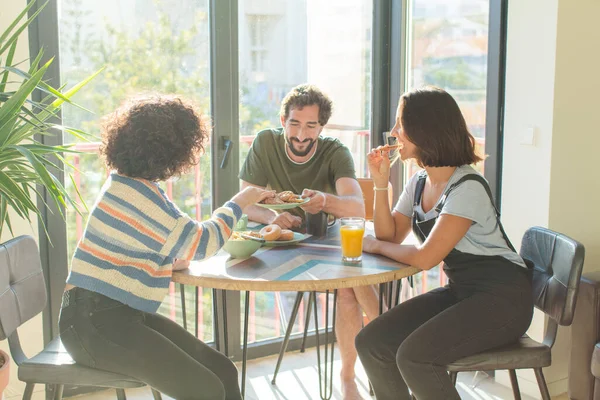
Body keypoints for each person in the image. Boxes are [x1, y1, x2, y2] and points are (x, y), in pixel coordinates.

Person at [59, 96, 274, 400]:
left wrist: (163, 262)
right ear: (169, 151)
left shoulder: (130, 185)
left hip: (114, 315)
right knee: (206, 389)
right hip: (93, 325)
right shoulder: (137, 195)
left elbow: (135, 248)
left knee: (222, 370)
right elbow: (202, 243)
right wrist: (242, 200)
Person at [355, 86, 534, 400]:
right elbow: (389, 234)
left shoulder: (467, 188)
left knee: (414, 357)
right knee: (372, 341)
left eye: (401, 124)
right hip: (464, 293)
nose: (394, 132)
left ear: (426, 129)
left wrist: (375, 247)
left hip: (504, 301)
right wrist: (381, 184)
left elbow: (425, 259)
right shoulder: (420, 181)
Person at [239, 83, 381, 399]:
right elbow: (245, 202)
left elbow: (357, 207)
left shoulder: (335, 152)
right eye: (295, 124)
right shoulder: (265, 143)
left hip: (327, 239)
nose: (301, 135)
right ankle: (388, 334)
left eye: (311, 126)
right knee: (356, 281)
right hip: (283, 243)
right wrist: (271, 218)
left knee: (349, 287)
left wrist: (326, 202)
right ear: (282, 120)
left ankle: (347, 378)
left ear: (322, 127)